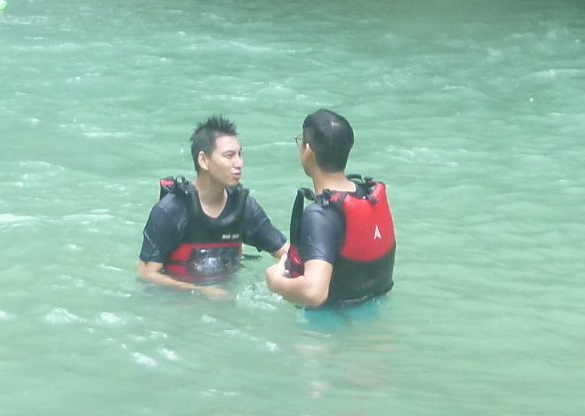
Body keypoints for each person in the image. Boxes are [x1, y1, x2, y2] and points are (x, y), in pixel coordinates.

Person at [138, 116, 287, 294]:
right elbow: (147, 273)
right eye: (229, 156)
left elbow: (288, 253)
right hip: (179, 302)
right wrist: (200, 291)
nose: (239, 163)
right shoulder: (170, 210)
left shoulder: (244, 207)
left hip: (226, 295)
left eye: (240, 154)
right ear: (203, 160)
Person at [266, 109, 395, 309]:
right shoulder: (367, 197)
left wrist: (275, 282)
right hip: (374, 317)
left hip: (329, 329)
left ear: (307, 151)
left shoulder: (319, 215)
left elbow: (314, 292)